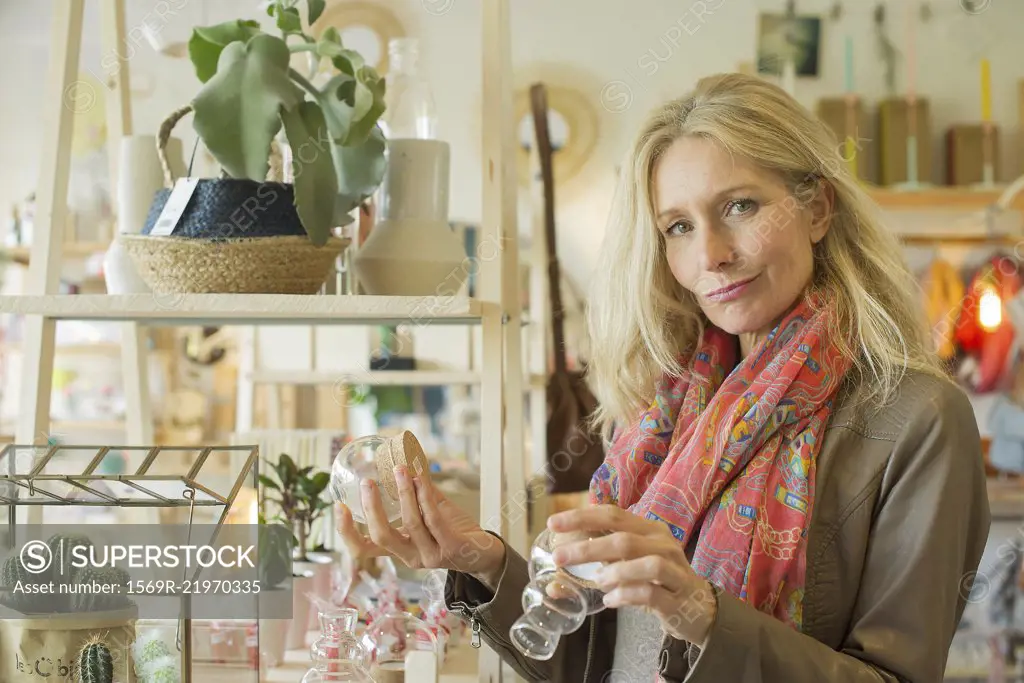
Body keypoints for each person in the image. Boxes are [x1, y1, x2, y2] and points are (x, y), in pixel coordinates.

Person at [336, 73, 991, 682]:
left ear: (817, 207)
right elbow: (599, 658)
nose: (710, 253)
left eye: (739, 206)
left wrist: (704, 613)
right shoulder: (665, 408)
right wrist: (481, 560)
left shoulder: (918, 419)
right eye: (678, 226)